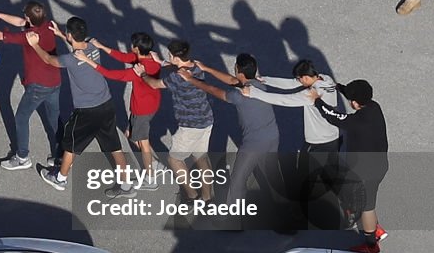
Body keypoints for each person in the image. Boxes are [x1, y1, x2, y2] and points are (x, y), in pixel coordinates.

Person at [28, 17, 132, 196]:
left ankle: (60, 178)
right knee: (114, 145)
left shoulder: (69, 59)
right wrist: (61, 34)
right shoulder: (91, 45)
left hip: (87, 110)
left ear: (70, 35)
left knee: (71, 144)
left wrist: (34, 45)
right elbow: (77, 48)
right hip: (106, 103)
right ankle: (126, 185)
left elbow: (49, 60)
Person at [241, 60, 351, 228]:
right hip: (333, 138)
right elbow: (292, 84)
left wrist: (254, 93)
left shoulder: (312, 94)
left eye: (301, 79)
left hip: (317, 143)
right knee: (331, 175)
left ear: (307, 77)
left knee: (304, 178)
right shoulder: (325, 79)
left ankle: (299, 215)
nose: (299, 82)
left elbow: (285, 100)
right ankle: (350, 208)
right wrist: (266, 80)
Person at [178, 54, 283, 214]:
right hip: (272, 136)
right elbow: (232, 80)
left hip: (254, 143)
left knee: (238, 180)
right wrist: (205, 68)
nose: (234, 69)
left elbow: (214, 90)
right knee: (272, 175)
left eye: (235, 67)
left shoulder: (238, 95)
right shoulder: (258, 85)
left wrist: (190, 79)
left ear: (240, 72)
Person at [0, 2, 62, 170]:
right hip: (55, 81)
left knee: (21, 118)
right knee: (54, 118)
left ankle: (22, 157)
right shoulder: (47, 25)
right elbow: (20, 23)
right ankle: (59, 155)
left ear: (29, 18)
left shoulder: (29, 36)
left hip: (38, 85)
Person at [308, 80, 389, 253]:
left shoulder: (356, 121)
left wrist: (317, 100)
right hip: (380, 164)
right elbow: (356, 97)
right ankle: (376, 229)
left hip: (367, 172)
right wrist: (339, 87)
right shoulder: (375, 107)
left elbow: (333, 116)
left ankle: (371, 245)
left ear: (354, 102)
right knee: (368, 199)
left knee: (366, 207)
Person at [82, 33, 163, 181]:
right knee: (131, 135)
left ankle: (150, 177)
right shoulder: (151, 59)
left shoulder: (138, 69)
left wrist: (86, 60)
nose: (130, 46)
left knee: (142, 143)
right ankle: (154, 164)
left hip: (142, 110)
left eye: (132, 45)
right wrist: (101, 46)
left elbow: (111, 74)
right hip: (150, 105)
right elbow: (124, 57)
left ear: (137, 49)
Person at [144, 40, 215, 201]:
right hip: (206, 119)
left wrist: (142, 73)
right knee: (201, 157)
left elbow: (154, 84)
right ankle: (206, 197)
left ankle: (191, 195)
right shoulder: (196, 66)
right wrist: (161, 62)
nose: (168, 57)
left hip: (190, 126)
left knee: (175, 159)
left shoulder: (177, 78)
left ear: (176, 57)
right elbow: (178, 66)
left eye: (170, 55)